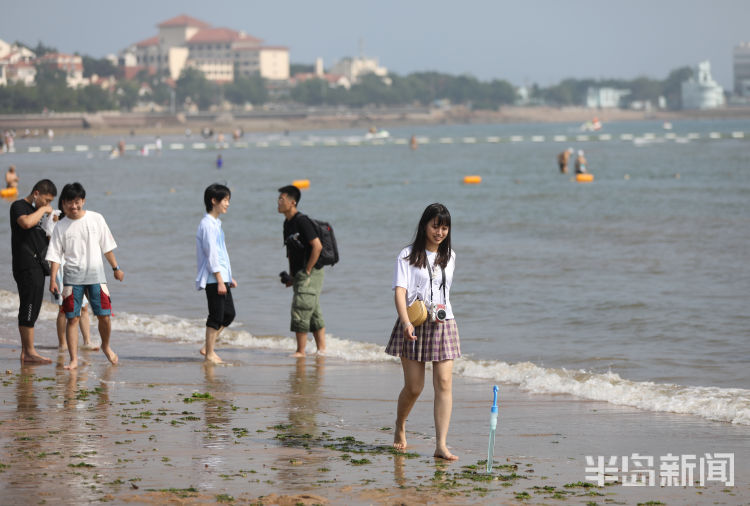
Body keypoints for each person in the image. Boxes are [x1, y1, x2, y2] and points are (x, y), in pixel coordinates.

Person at [385, 203, 461, 461]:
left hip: (443, 321)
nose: (440, 232)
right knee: (415, 387)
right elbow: (400, 291)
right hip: (414, 322)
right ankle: (400, 424)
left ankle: (441, 445)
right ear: (424, 226)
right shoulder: (407, 255)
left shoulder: (450, 256)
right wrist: (405, 321)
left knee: (444, 383)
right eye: (435, 226)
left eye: (444, 227)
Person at [46, 182, 124, 370]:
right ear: (63, 203)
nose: (73, 206)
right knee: (72, 318)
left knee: (104, 316)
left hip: (96, 276)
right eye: (69, 202)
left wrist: (116, 268)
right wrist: (53, 279)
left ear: (83, 200)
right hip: (72, 279)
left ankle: (105, 345)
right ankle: (73, 359)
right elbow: (55, 255)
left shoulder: (96, 219)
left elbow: (107, 246)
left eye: (77, 201)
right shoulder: (60, 226)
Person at [9, 179, 57, 364]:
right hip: (25, 265)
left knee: (35, 306)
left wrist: (52, 223)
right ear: (36, 193)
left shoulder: (40, 212)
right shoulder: (19, 206)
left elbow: (44, 236)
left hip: (38, 266)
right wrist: (43, 210)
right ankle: (28, 352)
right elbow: (26, 223)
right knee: (28, 306)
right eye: (46, 200)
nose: (48, 204)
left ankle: (29, 351)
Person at [277, 185, 326, 357]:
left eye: (281, 199)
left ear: (292, 202)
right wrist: (292, 277)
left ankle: (301, 351)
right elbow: (291, 252)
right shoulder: (287, 223)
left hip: (311, 271)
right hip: (300, 272)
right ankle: (322, 351)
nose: (278, 202)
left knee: (301, 307)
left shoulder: (302, 221)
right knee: (313, 311)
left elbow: (317, 247)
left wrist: (307, 270)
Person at [41, 207, 95, 352]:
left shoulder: (79, 220)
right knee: (63, 307)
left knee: (84, 306)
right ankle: (62, 343)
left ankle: (87, 341)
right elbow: (52, 245)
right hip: (60, 267)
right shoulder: (55, 217)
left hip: (78, 267)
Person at [196, 184, 237, 364]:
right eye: (225, 200)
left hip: (221, 277)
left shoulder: (216, 224)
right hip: (213, 278)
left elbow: (221, 253)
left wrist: (228, 277)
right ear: (214, 201)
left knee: (229, 314)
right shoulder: (207, 225)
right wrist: (220, 280)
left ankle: (208, 346)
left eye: (229, 200)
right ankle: (210, 353)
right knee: (216, 316)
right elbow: (211, 254)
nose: (227, 204)